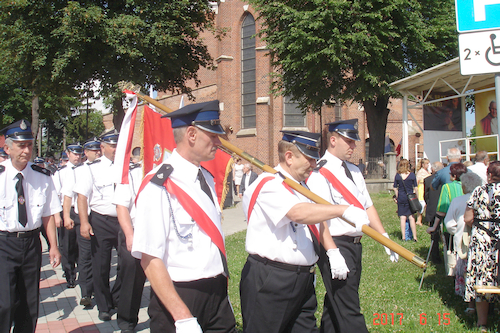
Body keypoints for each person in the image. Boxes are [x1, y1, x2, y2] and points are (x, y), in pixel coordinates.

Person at [240, 130, 368, 332]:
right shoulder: (269, 184)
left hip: (303, 280)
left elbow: (317, 219)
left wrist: (332, 252)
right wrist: (343, 210)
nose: (314, 164)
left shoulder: (302, 186)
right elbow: (298, 213)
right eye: (309, 158)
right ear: (289, 157)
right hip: (272, 279)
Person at [131, 100, 236, 332]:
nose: (218, 142)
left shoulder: (206, 178)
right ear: (191, 134)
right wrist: (183, 317)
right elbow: (150, 258)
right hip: (180, 295)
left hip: (216, 293)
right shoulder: (158, 184)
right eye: (213, 135)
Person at [307, 119, 398, 333]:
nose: (353, 146)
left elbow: (367, 206)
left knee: (336, 303)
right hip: (336, 244)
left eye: (354, 142)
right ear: (332, 140)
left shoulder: (354, 170)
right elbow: (319, 217)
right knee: (349, 308)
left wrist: (383, 236)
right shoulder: (320, 172)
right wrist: (332, 252)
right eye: (348, 141)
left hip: (356, 244)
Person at [0, 119, 62, 333]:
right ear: (7, 148)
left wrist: (53, 246)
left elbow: (48, 215)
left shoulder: (42, 177)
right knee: (5, 304)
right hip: (3, 244)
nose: (26, 150)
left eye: (29, 145)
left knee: (29, 305)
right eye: (21, 145)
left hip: (31, 244)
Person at [74, 130, 121, 322]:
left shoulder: (127, 166)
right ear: (102, 147)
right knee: (101, 266)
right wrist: (84, 222)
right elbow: (82, 197)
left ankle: (116, 298)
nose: (116, 149)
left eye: (118, 145)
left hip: (123, 220)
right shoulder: (90, 168)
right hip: (101, 220)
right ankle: (103, 305)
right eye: (112, 145)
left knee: (127, 264)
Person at [112, 148, 147, 332]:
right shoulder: (132, 175)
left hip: (159, 233)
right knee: (132, 280)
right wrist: (129, 234)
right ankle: (127, 321)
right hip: (135, 231)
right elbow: (121, 207)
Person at [464, 161, 500, 331]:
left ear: (489, 175)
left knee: (482, 279)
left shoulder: (479, 191)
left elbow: (468, 218)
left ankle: (482, 323)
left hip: (483, 241)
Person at [68, 138, 101, 308]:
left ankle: (99, 288)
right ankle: (86, 292)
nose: (97, 153)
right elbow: (70, 195)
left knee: (100, 256)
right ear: (85, 153)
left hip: (100, 218)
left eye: (98, 150)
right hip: (83, 218)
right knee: (85, 256)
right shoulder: (79, 171)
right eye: (93, 150)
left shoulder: (105, 168)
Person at [444, 173, 482, 309]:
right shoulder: (484, 198)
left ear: (464, 187)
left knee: (467, 271)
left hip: (464, 243)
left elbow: (448, 224)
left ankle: (469, 304)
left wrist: (457, 232)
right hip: (484, 242)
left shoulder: (458, 200)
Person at [427, 163, 468, 261]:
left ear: (454, 176)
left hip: (452, 225)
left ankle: (454, 271)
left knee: (453, 251)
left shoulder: (447, 187)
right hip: (467, 224)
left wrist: (434, 226)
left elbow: (442, 210)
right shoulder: (470, 186)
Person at [58, 143, 83, 289]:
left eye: (79, 154)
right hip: (67, 210)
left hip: (81, 211)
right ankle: (70, 276)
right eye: (74, 154)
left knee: (81, 246)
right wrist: (59, 215)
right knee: (67, 246)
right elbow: (56, 194)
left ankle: (84, 274)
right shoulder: (61, 172)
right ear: (68, 154)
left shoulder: (85, 170)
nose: (77, 157)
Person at [393, 159, 418, 241]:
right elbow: (416, 188)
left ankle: (403, 237)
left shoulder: (398, 175)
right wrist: (416, 197)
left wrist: (397, 196)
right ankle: (414, 237)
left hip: (401, 197)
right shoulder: (412, 175)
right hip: (410, 198)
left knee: (402, 217)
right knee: (411, 217)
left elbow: (395, 188)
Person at [424, 161, 444, 263]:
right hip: (444, 208)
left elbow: (425, 196)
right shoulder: (445, 179)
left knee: (434, 235)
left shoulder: (428, 180)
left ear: (433, 169)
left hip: (433, 209)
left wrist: (429, 203)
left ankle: (435, 256)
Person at [416, 158, 431, 225]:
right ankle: (419, 220)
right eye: (427, 164)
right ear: (423, 164)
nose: (428, 165)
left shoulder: (427, 171)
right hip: (422, 188)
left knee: (427, 204)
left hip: (427, 188)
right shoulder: (421, 172)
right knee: (422, 204)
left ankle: (427, 219)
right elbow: (417, 181)